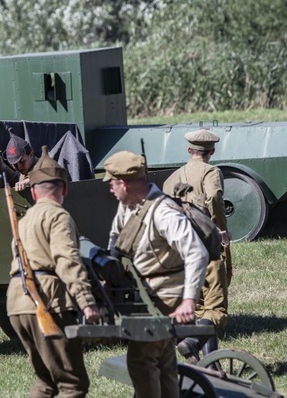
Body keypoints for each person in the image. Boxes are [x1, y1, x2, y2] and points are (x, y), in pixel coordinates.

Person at [105, 150, 208, 398]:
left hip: (168, 296)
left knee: (141, 360)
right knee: (163, 361)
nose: (109, 189)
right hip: (145, 294)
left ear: (124, 183)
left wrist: (188, 300)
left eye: (111, 183)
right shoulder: (128, 205)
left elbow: (197, 253)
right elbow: (115, 239)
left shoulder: (164, 213)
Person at [6, 146, 101, 398]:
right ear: (65, 189)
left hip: (17, 303)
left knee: (46, 381)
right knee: (72, 384)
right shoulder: (58, 216)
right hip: (47, 301)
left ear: (34, 192)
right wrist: (87, 302)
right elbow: (66, 260)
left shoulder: (25, 220)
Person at [162, 129, 230, 363]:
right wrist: (221, 228)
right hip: (205, 244)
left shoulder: (172, 178)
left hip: (179, 249)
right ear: (211, 151)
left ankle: (210, 361)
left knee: (200, 307)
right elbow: (213, 198)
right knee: (215, 307)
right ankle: (191, 343)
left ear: (189, 150)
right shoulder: (211, 171)